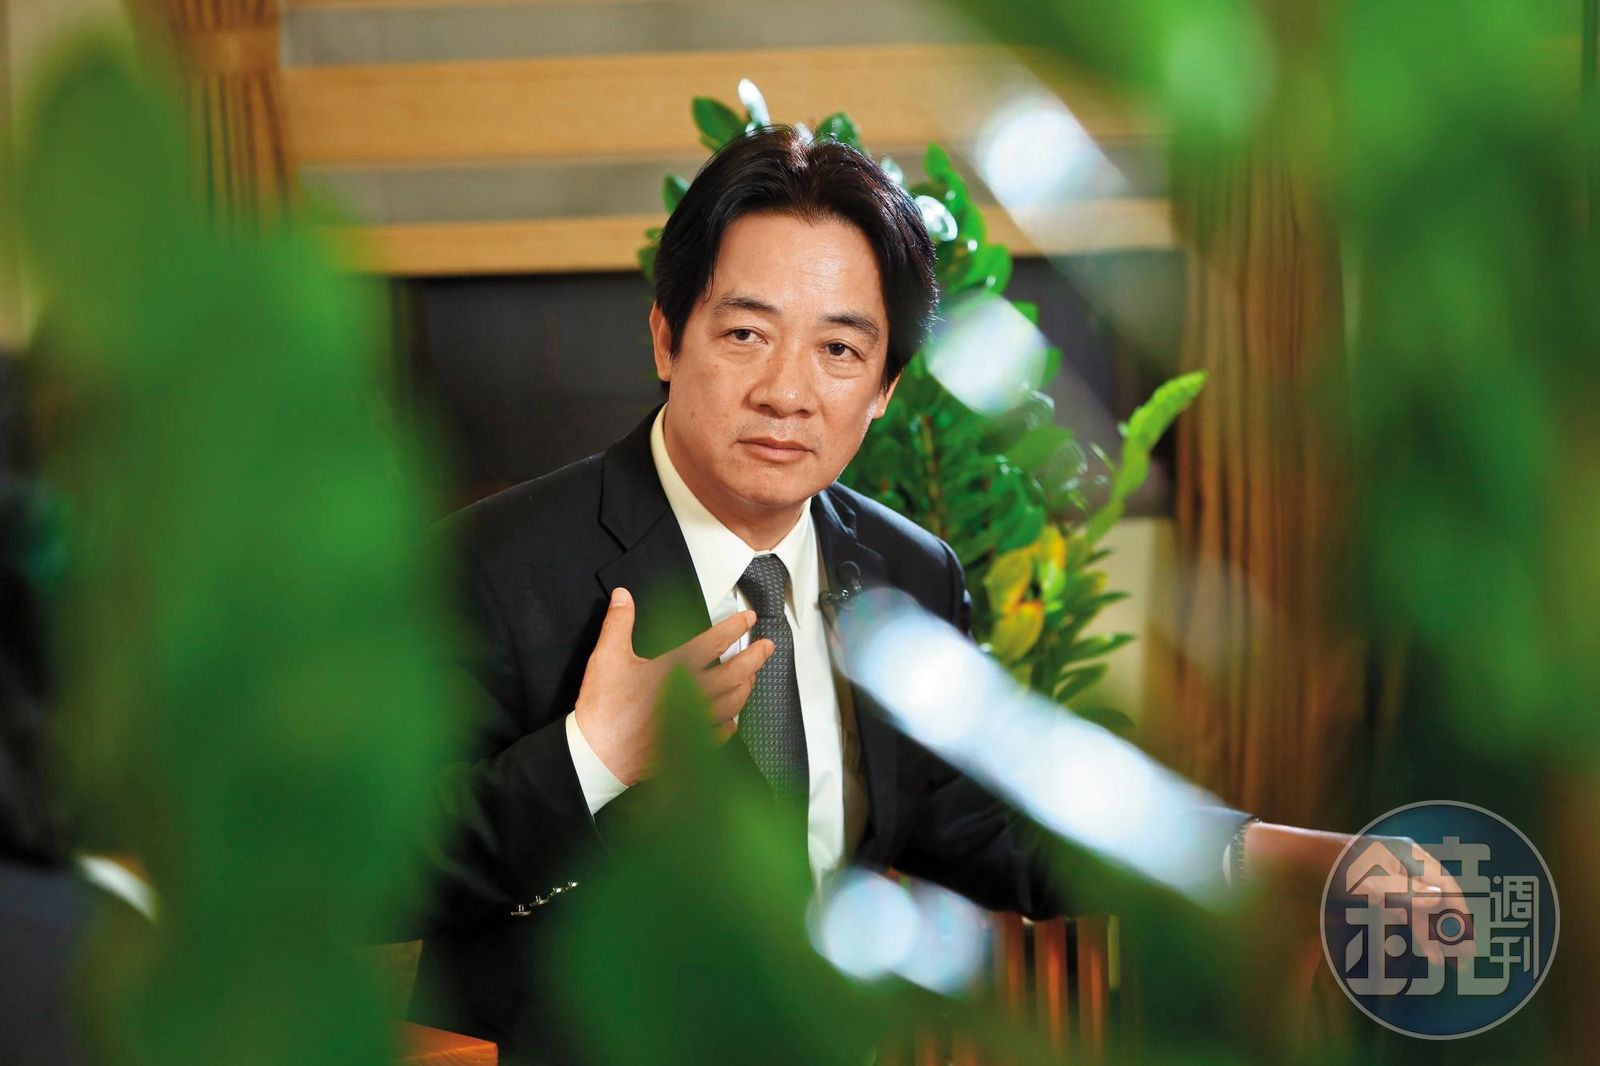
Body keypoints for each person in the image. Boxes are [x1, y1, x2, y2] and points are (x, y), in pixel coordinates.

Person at [406, 127, 1388, 1064]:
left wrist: (1261, 854)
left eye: (839, 349)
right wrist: (592, 756)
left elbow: (990, 824)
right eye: (746, 333)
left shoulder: (905, 571)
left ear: (883, 386)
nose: (787, 391)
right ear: (667, 338)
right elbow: (376, 873)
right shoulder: (491, 565)